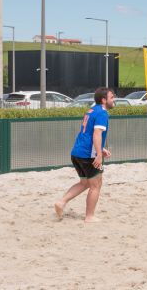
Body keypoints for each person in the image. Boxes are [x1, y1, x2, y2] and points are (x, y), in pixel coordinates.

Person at [54, 88, 115, 223]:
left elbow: (87, 133)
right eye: (111, 97)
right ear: (104, 100)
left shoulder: (92, 110)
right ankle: (90, 216)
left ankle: (61, 202)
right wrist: (99, 154)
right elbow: (96, 134)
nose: (114, 99)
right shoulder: (102, 113)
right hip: (88, 155)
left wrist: (101, 149)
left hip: (77, 152)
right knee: (96, 185)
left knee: (85, 183)